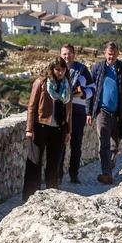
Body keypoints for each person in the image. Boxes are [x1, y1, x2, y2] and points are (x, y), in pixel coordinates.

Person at [23, 57, 71, 200]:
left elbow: (69, 109)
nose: (60, 72)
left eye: (63, 69)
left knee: (54, 165)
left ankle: (52, 198)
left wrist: (69, 130)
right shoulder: (42, 83)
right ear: (52, 69)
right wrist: (29, 129)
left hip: (58, 129)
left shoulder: (67, 85)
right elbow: (32, 106)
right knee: (34, 163)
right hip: (40, 126)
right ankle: (29, 198)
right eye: (57, 69)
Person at [88, 42, 122, 185]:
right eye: (109, 54)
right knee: (104, 142)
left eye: (114, 55)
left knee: (115, 145)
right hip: (102, 111)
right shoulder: (97, 68)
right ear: (104, 54)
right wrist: (89, 112)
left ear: (118, 54)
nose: (111, 57)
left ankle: (109, 167)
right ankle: (106, 173)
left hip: (119, 114)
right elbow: (91, 91)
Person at [58, 44, 95, 184]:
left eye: (69, 53)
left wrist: (83, 93)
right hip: (60, 112)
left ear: (74, 54)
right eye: (64, 54)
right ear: (60, 54)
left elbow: (93, 88)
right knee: (60, 144)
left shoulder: (82, 70)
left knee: (76, 144)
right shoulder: (57, 68)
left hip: (77, 112)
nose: (67, 56)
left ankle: (74, 174)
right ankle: (58, 175)